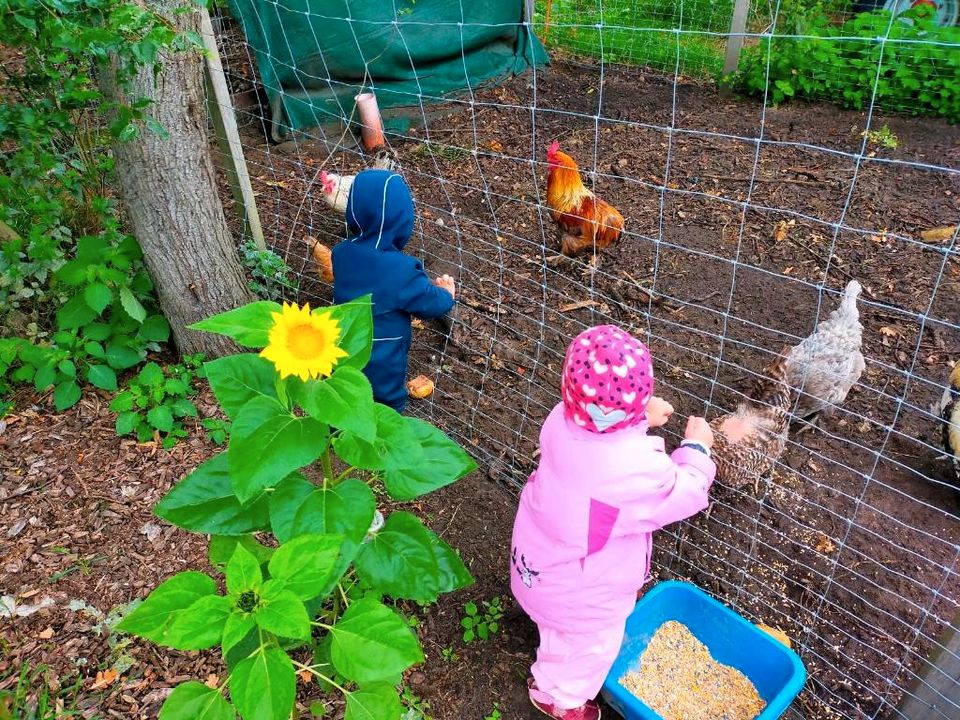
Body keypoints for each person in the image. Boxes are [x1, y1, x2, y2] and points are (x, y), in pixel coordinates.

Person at [510, 325, 716, 720]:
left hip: (538, 564)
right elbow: (683, 493)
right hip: (585, 593)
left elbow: (597, 428)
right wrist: (696, 449)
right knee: (592, 649)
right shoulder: (635, 470)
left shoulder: (559, 420)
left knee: (558, 629)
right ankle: (560, 698)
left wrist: (640, 419)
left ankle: (551, 649)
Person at [332, 169, 455, 413]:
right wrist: (446, 293)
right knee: (385, 397)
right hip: (382, 350)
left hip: (341, 340)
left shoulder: (341, 252)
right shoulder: (402, 269)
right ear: (402, 219)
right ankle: (386, 426)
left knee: (345, 388)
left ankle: (342, 423)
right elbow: (429, 305)